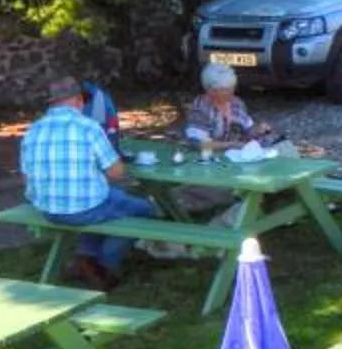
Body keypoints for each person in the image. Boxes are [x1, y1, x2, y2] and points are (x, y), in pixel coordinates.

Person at [19, 75, 150, 286]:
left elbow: (26, 177)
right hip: (84, 208)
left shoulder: (33, 130)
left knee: (103, 200)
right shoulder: (88, 127)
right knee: (144, 210)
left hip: (46, 208)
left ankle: (84, 258)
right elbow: (116, 172)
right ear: (79, 100)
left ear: (51, 103)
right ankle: (104, 264)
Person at [167, 64, 279, 218]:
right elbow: (200, 144)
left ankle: (266, 201)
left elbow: (248, 129)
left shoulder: (236, 103)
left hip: (237, 157)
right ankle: (242, 208)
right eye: (225, 89)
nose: (231, 92)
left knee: (281, 150)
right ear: (210, 91)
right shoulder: (200, 109)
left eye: (232, 87)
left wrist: (258, 130)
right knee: (226, 186)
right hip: (212, 160)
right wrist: (231, 145)